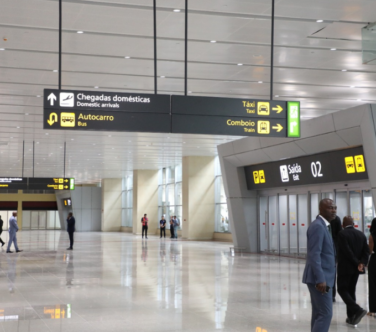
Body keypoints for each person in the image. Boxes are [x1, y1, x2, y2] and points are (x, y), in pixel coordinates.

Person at [302, 198, 336, 332]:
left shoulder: (324, 226)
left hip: (323, 277)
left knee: (318, 313)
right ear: (321, 209)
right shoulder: (318, 226)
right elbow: (314, 254)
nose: (333, 210)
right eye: (330, 208)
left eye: (334, 207)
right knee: (325, 314)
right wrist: (320, 278)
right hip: (321, 279)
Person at [337, 216, 369, 326]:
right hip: (357, 269)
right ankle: (351, 317)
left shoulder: (342, 234)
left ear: (343, 224)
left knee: (341, 289)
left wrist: (357, 262)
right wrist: (362, 263)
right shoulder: (361, 234)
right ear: (354, 223)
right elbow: (366, 251)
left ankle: (357, 310)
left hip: (345, 268)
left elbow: (347, 251)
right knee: (351, 291)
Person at [330, 215, 342, 302]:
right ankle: (332, 295)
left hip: (329, 248)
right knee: (332, 273)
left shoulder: (320, 219)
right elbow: (339, 234)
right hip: (334, 248)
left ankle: (328, 294)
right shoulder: (336, 218)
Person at [368, 218, 376, 317]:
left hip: (374, 261)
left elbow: (370, 250)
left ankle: (373, 309)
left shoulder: (372, 236)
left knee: (373, 285)